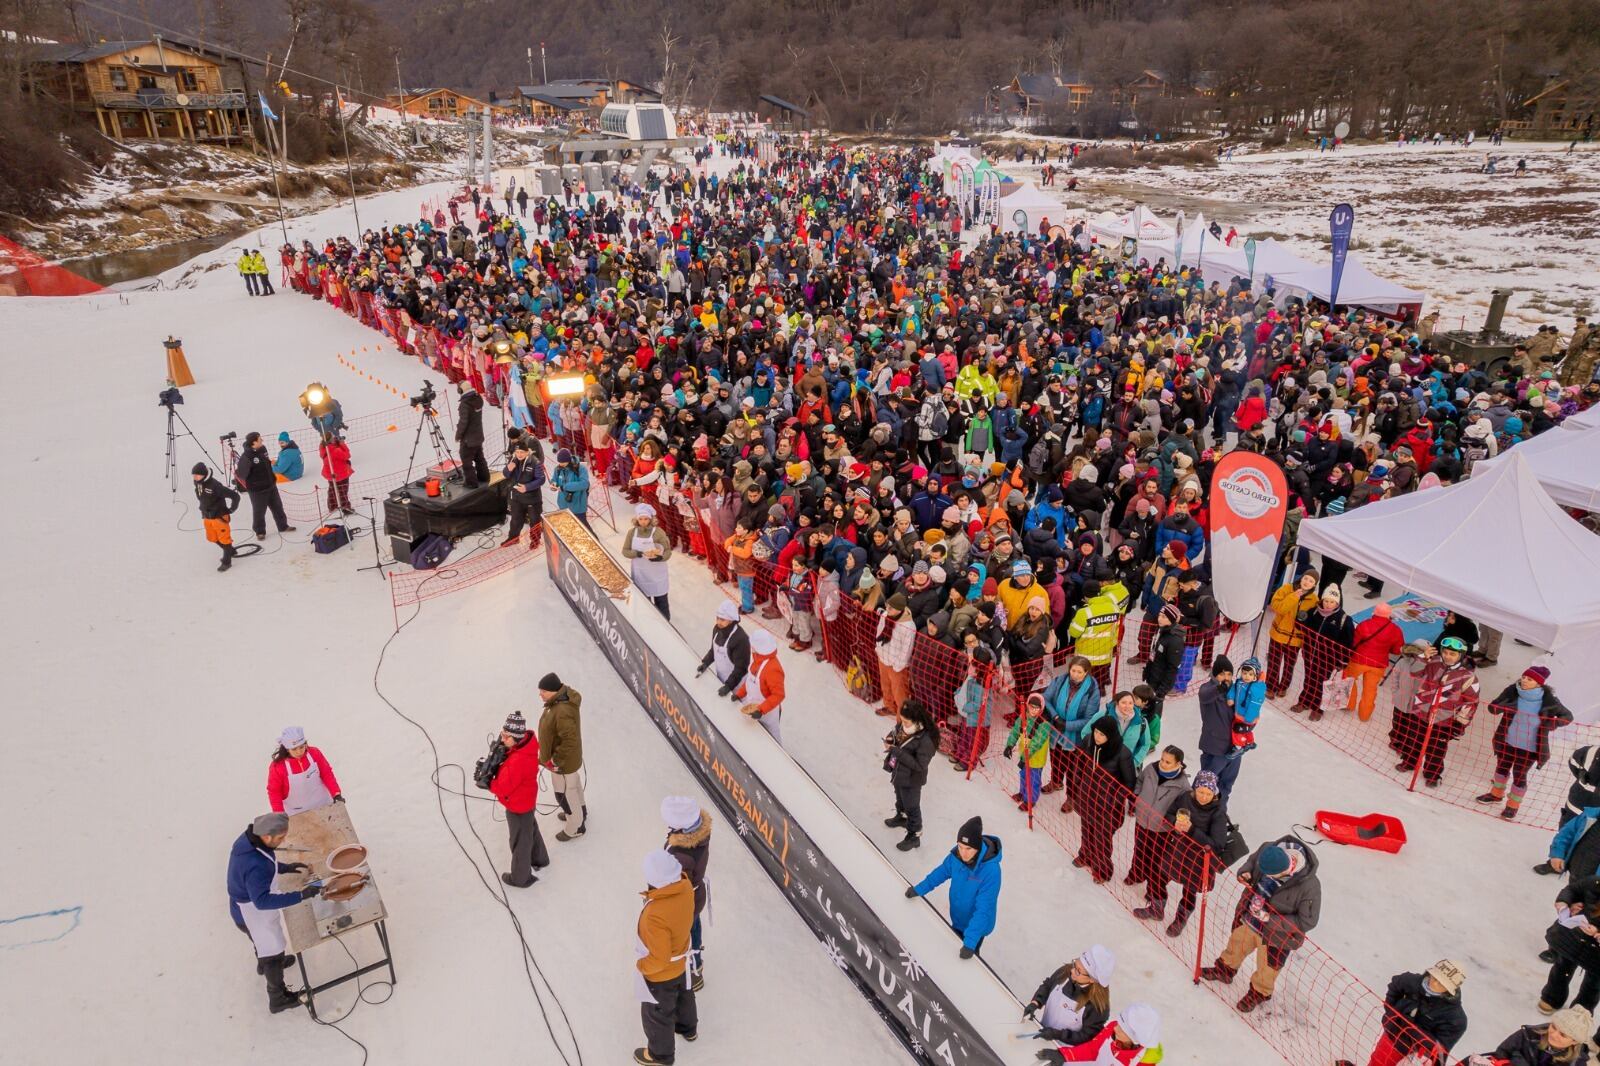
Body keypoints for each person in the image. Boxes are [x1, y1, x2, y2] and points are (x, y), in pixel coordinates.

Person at [1200, 835, 1322, 1013]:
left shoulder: (1310, 886)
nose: (1266, 877)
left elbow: (1307, 921)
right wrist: (1245, 872)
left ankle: (1259, 992)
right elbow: (1251, 862)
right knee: (1236, 945)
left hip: (1276, 937)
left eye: (1271, 876)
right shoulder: (1269, 848)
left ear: (1288, 868)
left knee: (1267, 967)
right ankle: (1224, 970)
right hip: (1249, 919)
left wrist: (1269, 920)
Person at [227, 812, 320, 1013]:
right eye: (280, 838)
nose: (283, 841)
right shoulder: (255, 865)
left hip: (241, 911)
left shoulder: (250, 840)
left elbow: (265, 861)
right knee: (272, 951)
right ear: (267, 836)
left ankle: (263, 964)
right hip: (251, 914)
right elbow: (262, 901)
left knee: (261, 943)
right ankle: (278, 998)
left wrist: (285, 868)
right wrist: (300, 895)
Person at [1136, 769, 1229, 937]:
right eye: (1200, 791)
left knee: (1189, 891)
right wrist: (1174, 823)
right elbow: (1170, 813)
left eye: (1208, 793)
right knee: (1159, 876)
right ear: (1195, 789)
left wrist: (1191, 829)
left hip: (1198, 860)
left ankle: (1180, 919)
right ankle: (1157, 908)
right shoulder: (1185, 798)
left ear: (1214, 794)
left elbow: (1217, 845)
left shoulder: (1218, 813)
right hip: (1177, 850)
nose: (1203, 796)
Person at [1480, 666, 1572, 820]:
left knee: (1519, 775)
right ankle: (1496, 795)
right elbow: (1492, 708)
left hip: (1529, 748)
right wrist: (1502, 706)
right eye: (1523, 677)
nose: (1524, 680)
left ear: (1539, 684)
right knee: (1501, 768)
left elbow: (1567, 717)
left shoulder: (1549, 700)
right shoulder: (1513, 692)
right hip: (1507, 741)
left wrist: (1551, 724)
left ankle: (1512, 806)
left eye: (1529, 679)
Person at [906, 815, 1003, 958]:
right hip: (958, 918)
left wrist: (970, 943)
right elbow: (940, 873)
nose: (963, 853)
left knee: (967, 960)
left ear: (977, 848)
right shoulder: (956, 856)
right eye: (960, 846)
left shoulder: (991, 872)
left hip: (977, 925)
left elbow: (983, 909)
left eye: (968, 848)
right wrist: (919, 889)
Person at [635, 849, 698, 1065]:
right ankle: (688, 1028)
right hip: (682, 961)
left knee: (658, 1014)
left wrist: (642, 965)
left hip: (662, 975)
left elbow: (659, 959)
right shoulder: (686, 887)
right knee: (685, 995)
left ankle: (660, 1055)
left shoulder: (655, 914)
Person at [1395, 637, 1481, 788]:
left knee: (1436, 749)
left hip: (1444, 720)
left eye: (1452, 654)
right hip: (1420, 711)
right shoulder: (1432, 662)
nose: (1448, 656)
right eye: (1445, 652)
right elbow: (1414, 673)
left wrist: (1459, 724)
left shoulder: (1468, 677)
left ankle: (1432, 774)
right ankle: (1409, 761)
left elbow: (1471, 703)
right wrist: (1423, 657)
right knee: (1414, 739)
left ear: (1461, 655)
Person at [1354, 961, 1468, 1066]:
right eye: (1435, 977)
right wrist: (1392, 1013)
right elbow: (1395, 987)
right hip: (1391, 1036)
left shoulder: (1455, 1018)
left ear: (1451, 988)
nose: (1435, 983)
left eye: (1443, 984)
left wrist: (1411, 1029)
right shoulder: (1410, 981)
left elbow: (1440, 1048)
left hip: (1415, 1055)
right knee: (1377, 1062)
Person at [486, 710, 547, 887]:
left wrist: (489, 782)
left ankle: (520, 878)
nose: (502, 739)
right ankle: (540, 859)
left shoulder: (519, 760)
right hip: (526, 801)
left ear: (517, 737)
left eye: (506, 736)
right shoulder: (524, 747)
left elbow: (503, 787)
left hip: (518, 805)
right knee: (530, 829)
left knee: (520, 840)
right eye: (502, 734)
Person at [1074, 714, 1137, 883]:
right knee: (1086, 830)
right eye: (1096, 732)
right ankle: (1085, 855)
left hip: (1107, 807)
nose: (1097, 737)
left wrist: (1113, 800)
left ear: (1111, 736)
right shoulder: (1088, 741)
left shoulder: (1123, 753)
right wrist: (1076, 789)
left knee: (1102, 839)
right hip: (1087, 797)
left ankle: (1103, 870)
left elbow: (1129, 784)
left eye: (1102, 735)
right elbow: (1079, 767)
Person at [661, 796, 711, 991]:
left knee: (687, 934)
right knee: (694, 927)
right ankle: (696, 964)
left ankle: (694, 969)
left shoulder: (681, 854)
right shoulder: (698, 834)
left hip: (686, 902)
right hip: (695, 897)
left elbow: (675, 884)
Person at [1023, 944, 1114, 1050]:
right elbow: (1048, 985)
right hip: (1042, 1032)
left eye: (1078, 971)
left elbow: (1086, 1036)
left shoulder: (1098, 1007)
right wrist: (1036, 1002)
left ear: (1092, 979)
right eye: (1075, 964)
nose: (1072, 970)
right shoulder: (1065, 971)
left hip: (1061, 1052)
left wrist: (1058, 1035)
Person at [1126, 745, 1190, 896]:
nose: (1162, 763)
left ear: (1178, 764)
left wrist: (1173, 822)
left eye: (1168, 762)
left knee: (1156, 858)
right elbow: (1140, 781)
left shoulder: (1183, 786)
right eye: (1162, 759)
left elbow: (1183, 810)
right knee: (1139, 849)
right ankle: (1136, 874)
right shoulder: (1151, 769)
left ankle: (1152, 887)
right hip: (1142, 820)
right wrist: (1136, 797)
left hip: (1162, 829)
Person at [884, 698, 940, 851]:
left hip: (912, 780)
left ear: (916, 721)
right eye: (902, 720)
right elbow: (896, 731)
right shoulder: (905, 726)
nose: (903, 724)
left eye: (906, 722)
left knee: (912, 806)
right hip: (899, 773)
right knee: (899, 797)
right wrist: (891, 738)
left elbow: (920, 765)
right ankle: (901, 816)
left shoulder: (925, 740)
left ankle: (914, 835)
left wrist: (896, 751)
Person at [537, 673, 586, 841]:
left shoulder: (562, 710)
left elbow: (570, 739)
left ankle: (576, 826)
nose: (540, 694)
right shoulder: (558, 703)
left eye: (543, 691)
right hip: (567, 761)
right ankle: (581, 812)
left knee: (564, 794)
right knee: (574, 786)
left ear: (553, 691)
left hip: (562, 763)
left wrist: (555, 760)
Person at [1293, 584, 1353, 719]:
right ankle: (1305, 700)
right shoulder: (1314, 612)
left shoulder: (1344, 620)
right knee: (1309, 678)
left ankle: (1318, 707)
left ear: (1337, 602)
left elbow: (1347, 643)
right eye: (1326, 600)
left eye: (1332, 602)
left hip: (1327, 658)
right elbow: (1301, 627)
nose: (1328, 604)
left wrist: (1343, 660)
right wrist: (1300, 618)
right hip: (1310, 653)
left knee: (1322, 682)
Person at [1542, 876, 1600, 1015]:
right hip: (1574, 939)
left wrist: (1598, 933)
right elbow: (1573, 889)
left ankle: (1580, 1013)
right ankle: (1552, 997)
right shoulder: (1595, 883)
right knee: (1561, 969)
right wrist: (1564, 902)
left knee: (1593, 985)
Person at [1343, 602, 1406, 722]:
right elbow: (1398, 650)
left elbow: (1354, 642)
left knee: (1349, 680)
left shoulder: (1365, 624)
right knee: (1370, 690)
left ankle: (1348, 705)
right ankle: (1364, 715)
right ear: (1389, 615)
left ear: (1375, 612)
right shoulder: (1396, 630)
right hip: (1379, 665)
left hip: (1359, 660)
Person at [1468, 1007, 1593, 1065]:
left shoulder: (1577, 1063)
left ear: (1575, 1041)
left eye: (1562, 1035)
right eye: (1553, 1027)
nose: (1553, 1034)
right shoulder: (1528, 1035)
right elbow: (1501, 1052)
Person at [1043, 1003, 1162, 1064]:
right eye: (1119, 1023)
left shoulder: (1143, 1061)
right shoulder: (1113, 1028)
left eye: (1122, 1029)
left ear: (1135, 1039)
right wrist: (1064, 1055)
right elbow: (1092, 1049)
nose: (1115, 1028)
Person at [1266, 569, 1319, 698]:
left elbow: (1313, 620)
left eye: (1311, 581)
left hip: (1296, 639)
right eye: (1306, 578)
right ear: (1301, 578)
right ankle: (1271, 687)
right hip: (1278, 634)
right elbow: (1277, 607)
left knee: (1289, 665)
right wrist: (1293, 597)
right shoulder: (1287, 589)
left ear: (1314, 585)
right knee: (1274, 662)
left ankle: (1283, 687)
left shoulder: (1314, 600)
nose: (1307, 582)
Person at [266, 726, 343, 814]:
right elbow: (274, 792)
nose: (299, 752)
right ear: (287, 749)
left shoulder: (314, 753)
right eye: (294, 749)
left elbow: (326, 773)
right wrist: (278, 814)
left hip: (323, 804)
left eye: (301, 747)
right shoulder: (278, 767)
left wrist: (336, 793)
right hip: (297, 813)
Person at [234, 431, 295, 541]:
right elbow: (241, 474)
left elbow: (266, 463)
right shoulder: (247, 457)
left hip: (270, 485)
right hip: (257, 490)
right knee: (259, 511)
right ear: (253, 442)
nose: (262, 440)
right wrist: (253, 481)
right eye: (259, 439)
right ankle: (260, 532)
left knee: (278, 507)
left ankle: (283, 526)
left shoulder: (263, 449)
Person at [1196, 657, 1240, 798]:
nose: (1226, 677)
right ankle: (1196, 812)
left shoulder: (1236, 692)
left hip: (1234, 747)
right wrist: (1220, 688)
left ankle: (1219, 812)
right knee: (1205, 784)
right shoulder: (1208, 688)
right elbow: (1205, 696)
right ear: (1215, 675)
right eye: (1222, 674)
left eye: (1228, 674)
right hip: (1214, 747)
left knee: (1226, 784)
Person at [623, 503, 674, 618]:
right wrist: (638, 553)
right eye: (640, 519)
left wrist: (660, 557)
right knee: (645, 604)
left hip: (657, 575)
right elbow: (625, 551)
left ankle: (666, 625)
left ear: (651, 519)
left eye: (646, 519)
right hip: (641, 575)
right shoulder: (632, 533)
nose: (643, 522)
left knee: (661, 603)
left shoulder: (658, 532)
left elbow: (667, 551)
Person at [736, 628, 786, 744]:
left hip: (768, 713)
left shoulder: (773, 669)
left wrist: (761, 710)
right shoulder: (757, 660)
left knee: (773, 741)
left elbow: (779, 695)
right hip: (754, 709)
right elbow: (749, 681)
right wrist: (739, 694)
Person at [1004, 693, 1053, 808]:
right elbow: (1015, 731)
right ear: (1027, 705)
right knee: (1023, 775)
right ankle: (1022, 792)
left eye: (1036, 708)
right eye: (1031, 706)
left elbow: (1036, 744)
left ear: (1041, 708)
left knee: (1033, 780)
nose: (1033, 710)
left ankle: (1030, 800)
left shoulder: (1044, 724)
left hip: (1036, 758)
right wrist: (1009, 745)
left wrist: (1023, 759)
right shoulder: (1023, 717)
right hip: (1024, 755)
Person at [1141, 604, 1186, 724]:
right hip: (1152, 678)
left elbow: (1173, 668)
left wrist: (1162, 691)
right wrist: (1147, 671)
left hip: (1159, 684)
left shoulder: (1175, 640)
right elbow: (1154, 654)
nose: (1160, 619)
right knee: (1146, 708)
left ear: (1171, 620)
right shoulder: (1162, 630)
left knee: (1154, 715)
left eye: (1164, 617)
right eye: (1160, 615)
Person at [696, 600, 752, 697]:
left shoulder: (741, 639)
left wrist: (728, 686)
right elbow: (713, 651)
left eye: (722, 619)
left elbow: (741, 669)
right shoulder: (717, 629)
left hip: (738, 687)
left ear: (731, 620)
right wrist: (705, 663)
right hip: (722, 681)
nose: (718, 622)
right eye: (717, 618)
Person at [192, 462, 241, 571]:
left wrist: (232, 509)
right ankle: (231, 551)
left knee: (225, 540)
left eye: (197, 475)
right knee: (212, 538)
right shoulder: (197, 483)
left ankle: (227, 561)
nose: (195, 477)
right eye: (193, 475)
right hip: (207, 517)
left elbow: (235, 496)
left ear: (204, 475)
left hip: (219, 517)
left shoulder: (215, 486)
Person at [875, 593, 917, 719]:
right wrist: (878, 649)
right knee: (885, 686)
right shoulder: (885, 615)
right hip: (883, 657)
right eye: (887, 607)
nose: (887, 610)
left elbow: (907, 650)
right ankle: (889, 706)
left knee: (900, 693)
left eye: (890, 608)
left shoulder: (909, 626)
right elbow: (879, 631)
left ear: (899, 609)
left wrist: (898, 666)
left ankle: (902, 719)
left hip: (896, 665)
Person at [502, 438, 547, 548]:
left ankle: (535, 541)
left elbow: (541, 479)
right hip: (517, 498)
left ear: (527, 452)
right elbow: (506, 474)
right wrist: (508, 469)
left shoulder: (535, 462)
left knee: (534, 521)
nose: (519, 454)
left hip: (532, 499)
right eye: (517, 452)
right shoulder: (513, 460)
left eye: (522, 452)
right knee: (515, 520)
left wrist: (527, 487)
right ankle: (513, 538)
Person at [1228, 657, 1266, 757]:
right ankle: (1249, 742)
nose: (1246, 676)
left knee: (1237, 730)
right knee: (1246, 730)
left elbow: (1255, 705)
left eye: (1250, 674)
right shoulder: (1240, 682)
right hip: (1240, 713)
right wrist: (1230, 697)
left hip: (1248, 717)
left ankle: (1239, 747)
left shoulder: (1256, 688)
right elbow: (1233, 689)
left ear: (1255, 675)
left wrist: (1249, 719)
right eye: (1244, 673)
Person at [455, 381, 489, 489]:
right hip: (478, 436)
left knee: (466, 461)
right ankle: (484, 477)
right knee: (479, 457)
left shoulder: (465, 404)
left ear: (461, 390)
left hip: (468, 440)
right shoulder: (478, 399)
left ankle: (471, 482)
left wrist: (458, 435)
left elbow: (463, 422)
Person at [550, 449, 591, 527]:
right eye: (559, 462)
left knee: (584, 530)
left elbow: (584, 484)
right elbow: (554, 480)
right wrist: (553, 484)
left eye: (563, 462)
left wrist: (565, 487)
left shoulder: (580, 468)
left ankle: (595, 539)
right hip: (563, 506)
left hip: (578, 507)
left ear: (568, 460)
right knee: (571, 532)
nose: (560, 464)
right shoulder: (558, 469)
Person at [318, 432, 354, 515]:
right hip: (341, 473)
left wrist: (337, 444)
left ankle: (332, 506)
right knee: (342, 490)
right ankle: (346, 508)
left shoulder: (323, 448)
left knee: (332, 489)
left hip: (330, 473)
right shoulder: (335, 450)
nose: (335, 438)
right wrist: (342, 444)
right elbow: (347, 455)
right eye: (333, 437)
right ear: (330, 440)